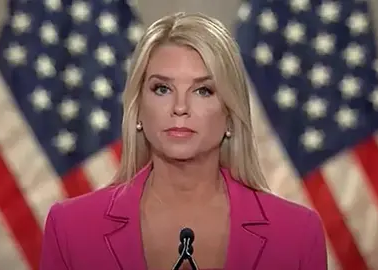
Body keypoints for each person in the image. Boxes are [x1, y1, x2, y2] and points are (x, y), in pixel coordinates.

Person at [39, 12, 328, 270]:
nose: (180, 107)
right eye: (162, 88)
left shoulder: (297, 234)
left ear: (230, 112)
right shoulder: (70, 229)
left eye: (203, 90)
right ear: (138, 108)